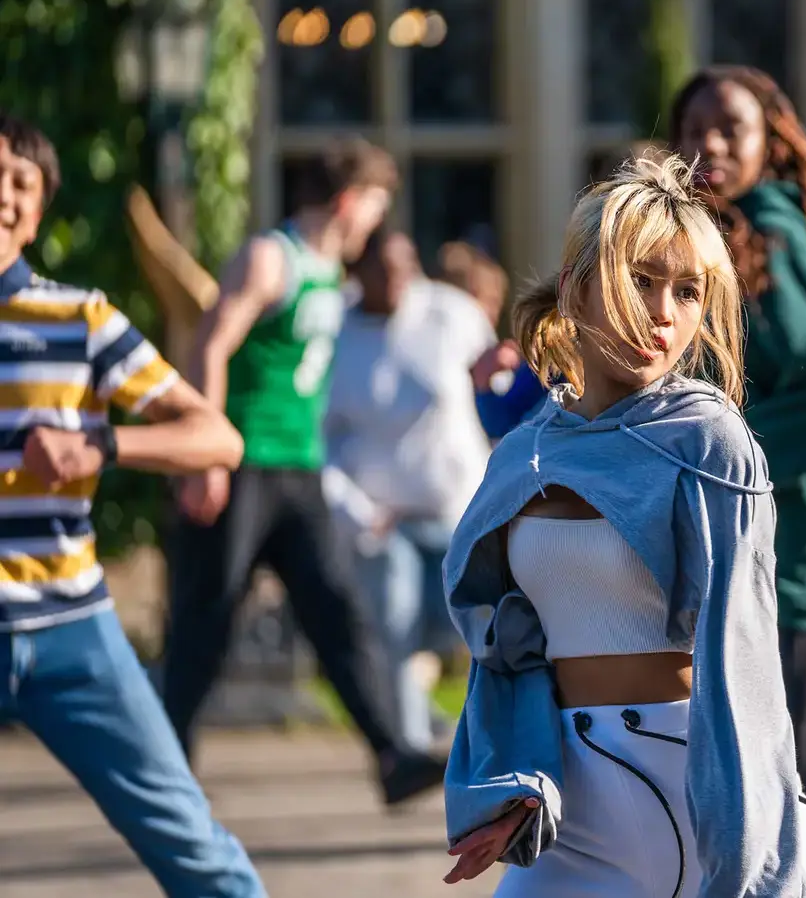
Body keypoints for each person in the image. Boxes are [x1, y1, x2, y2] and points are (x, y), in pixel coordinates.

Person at [438, 155, 806, 896]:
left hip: (700, 797)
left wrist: (755, 859)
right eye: (642, 280)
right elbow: (509, 648)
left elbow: (744, 653)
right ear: (576, 288)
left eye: (688, 291)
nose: (664, 312)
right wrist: (510, 782)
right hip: (573, 806)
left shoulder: (710, 441)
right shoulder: (528, 446)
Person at [0, 113, 265, 897]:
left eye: (24, 183)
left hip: (69, 633)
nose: (6, 195)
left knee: (195, 849)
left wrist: (100, 448)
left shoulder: (78, 320)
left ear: (38, 210)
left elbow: (215, 437)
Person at [164, 137, 446, 805]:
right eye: (376, 208)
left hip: (301, 469)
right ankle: (165, 764)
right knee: (206, 617)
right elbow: (208, 342)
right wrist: (203, 453)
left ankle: (392, 755)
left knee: (338, 611)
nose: (378, 226)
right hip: (242, 464)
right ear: (349, 202)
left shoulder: (331, 272)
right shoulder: (272, 258)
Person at [670, 65, 806, 894]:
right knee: (781, 787)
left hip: (798, 557)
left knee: (795, 795)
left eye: (731, 127)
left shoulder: (773, 231)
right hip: (752, 552)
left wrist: (733, 460)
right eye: (694, 127)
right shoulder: (708, 240)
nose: (710, 143)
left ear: (773, 144)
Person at [322, 227, 497, 753]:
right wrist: (353, 508)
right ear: (359, 272)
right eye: (382, 269)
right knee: (393, 622)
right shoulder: (332, 329)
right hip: (383, 518)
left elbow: (495, 394)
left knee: (472, 623)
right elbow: (318, 436)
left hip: (458, 507)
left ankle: (482, 728)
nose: (396, 279)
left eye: (405, 266)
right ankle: (411, 748)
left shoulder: (451, 314)